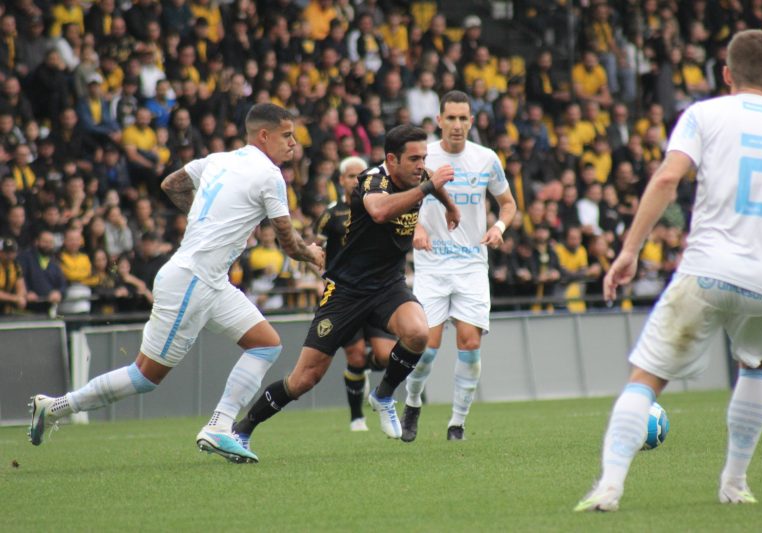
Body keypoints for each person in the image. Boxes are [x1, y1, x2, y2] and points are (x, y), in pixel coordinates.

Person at [575, 30, 762, 512]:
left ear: (725, 74)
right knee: (757, 367)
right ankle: (735, 485)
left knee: (646, 378)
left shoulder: (703, 114)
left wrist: (629, 251)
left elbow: (668, 177)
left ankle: (610, 486)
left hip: (707, 270)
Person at [28, 104, 325, 466]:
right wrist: (312, 255)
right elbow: (288, 242)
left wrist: (205, 220)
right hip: (191, 280)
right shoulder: (269, 175)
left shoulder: (217, 159)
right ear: (264, 135)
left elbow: (170, 184)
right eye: (287, 135)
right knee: (145, 376)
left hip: (209, 280)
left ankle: (219, 425)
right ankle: (56, 407)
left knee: (266, 345)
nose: (294, 143)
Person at [229, 124, 460, 451]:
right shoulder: (371, 181)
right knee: (303, 380)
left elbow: (431, 178)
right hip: (346, 291)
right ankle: (243, 428)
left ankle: (382, 395)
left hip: (387, 286)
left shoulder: (419, 174)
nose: (421, 165)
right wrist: (429, 188)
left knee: (418, 333)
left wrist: (449, 204)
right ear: (391, 160)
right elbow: (380, 211)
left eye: (424, 157)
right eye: (414, 158)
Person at [399, 90, 517, 442]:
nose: (457, 125)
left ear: (471, 120)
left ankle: (457, 424)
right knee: (425, 348)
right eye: (450, 118)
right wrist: (416, 228)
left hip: (470, 265)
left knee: (469, 343)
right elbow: (400, 201)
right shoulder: (423, 156)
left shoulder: (485, 159)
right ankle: (413, 400)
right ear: (438, 120)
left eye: (463, 118)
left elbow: (508, 203)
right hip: (433, 266)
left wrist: (498, 227)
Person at [313, 155, 397, 431]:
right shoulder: (331, 214)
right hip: (345, 293)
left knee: (386, 357)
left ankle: (365, 381)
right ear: (340, 180)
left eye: (360, 175)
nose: (355, 180)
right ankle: (356, 417)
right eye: (350, 176)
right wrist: (319, 277)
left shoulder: (379, 209)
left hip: (376, 290)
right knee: (356, 356)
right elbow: (316, 250)